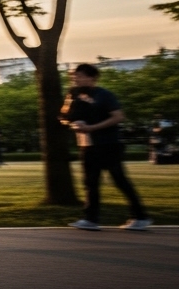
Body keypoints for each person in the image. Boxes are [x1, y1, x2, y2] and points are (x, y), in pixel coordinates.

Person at [61, 64, 149, 231]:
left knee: (119, 180)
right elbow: (64, 116)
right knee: (90, 183)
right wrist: (72, 123)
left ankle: (140, 217)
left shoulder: (104, 95)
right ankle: (91, 219)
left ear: (92, 77)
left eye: (79, 76)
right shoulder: (73, 94)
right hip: (87, 144)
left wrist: (93, 128)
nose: (75, 79)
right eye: (73, 76)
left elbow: (118, 117)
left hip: (108, 143)